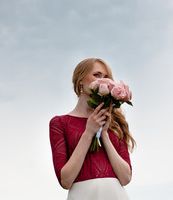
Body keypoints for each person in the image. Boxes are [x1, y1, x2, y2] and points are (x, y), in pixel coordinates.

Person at [49, 58, 135, 200]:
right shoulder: (59, 123)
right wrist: (88, 132)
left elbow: (126, 178)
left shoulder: (116, 124)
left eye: (106, 77)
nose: (103, 80)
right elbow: (66, 180)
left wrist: (104, 134)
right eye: (97, 75)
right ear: (80, 81)